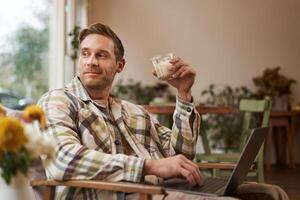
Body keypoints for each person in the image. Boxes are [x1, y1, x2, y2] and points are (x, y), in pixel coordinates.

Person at [38, 23, 288, 200]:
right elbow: (64, 160)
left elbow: (182, 155)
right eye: (85, 54)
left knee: (272, 194)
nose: (91, 61)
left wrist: (183, 94)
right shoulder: (58, 101)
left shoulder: (134, 112)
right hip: (116, 195)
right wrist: (150, 166)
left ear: (119, 65)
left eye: (101, 55)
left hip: (163, 190)